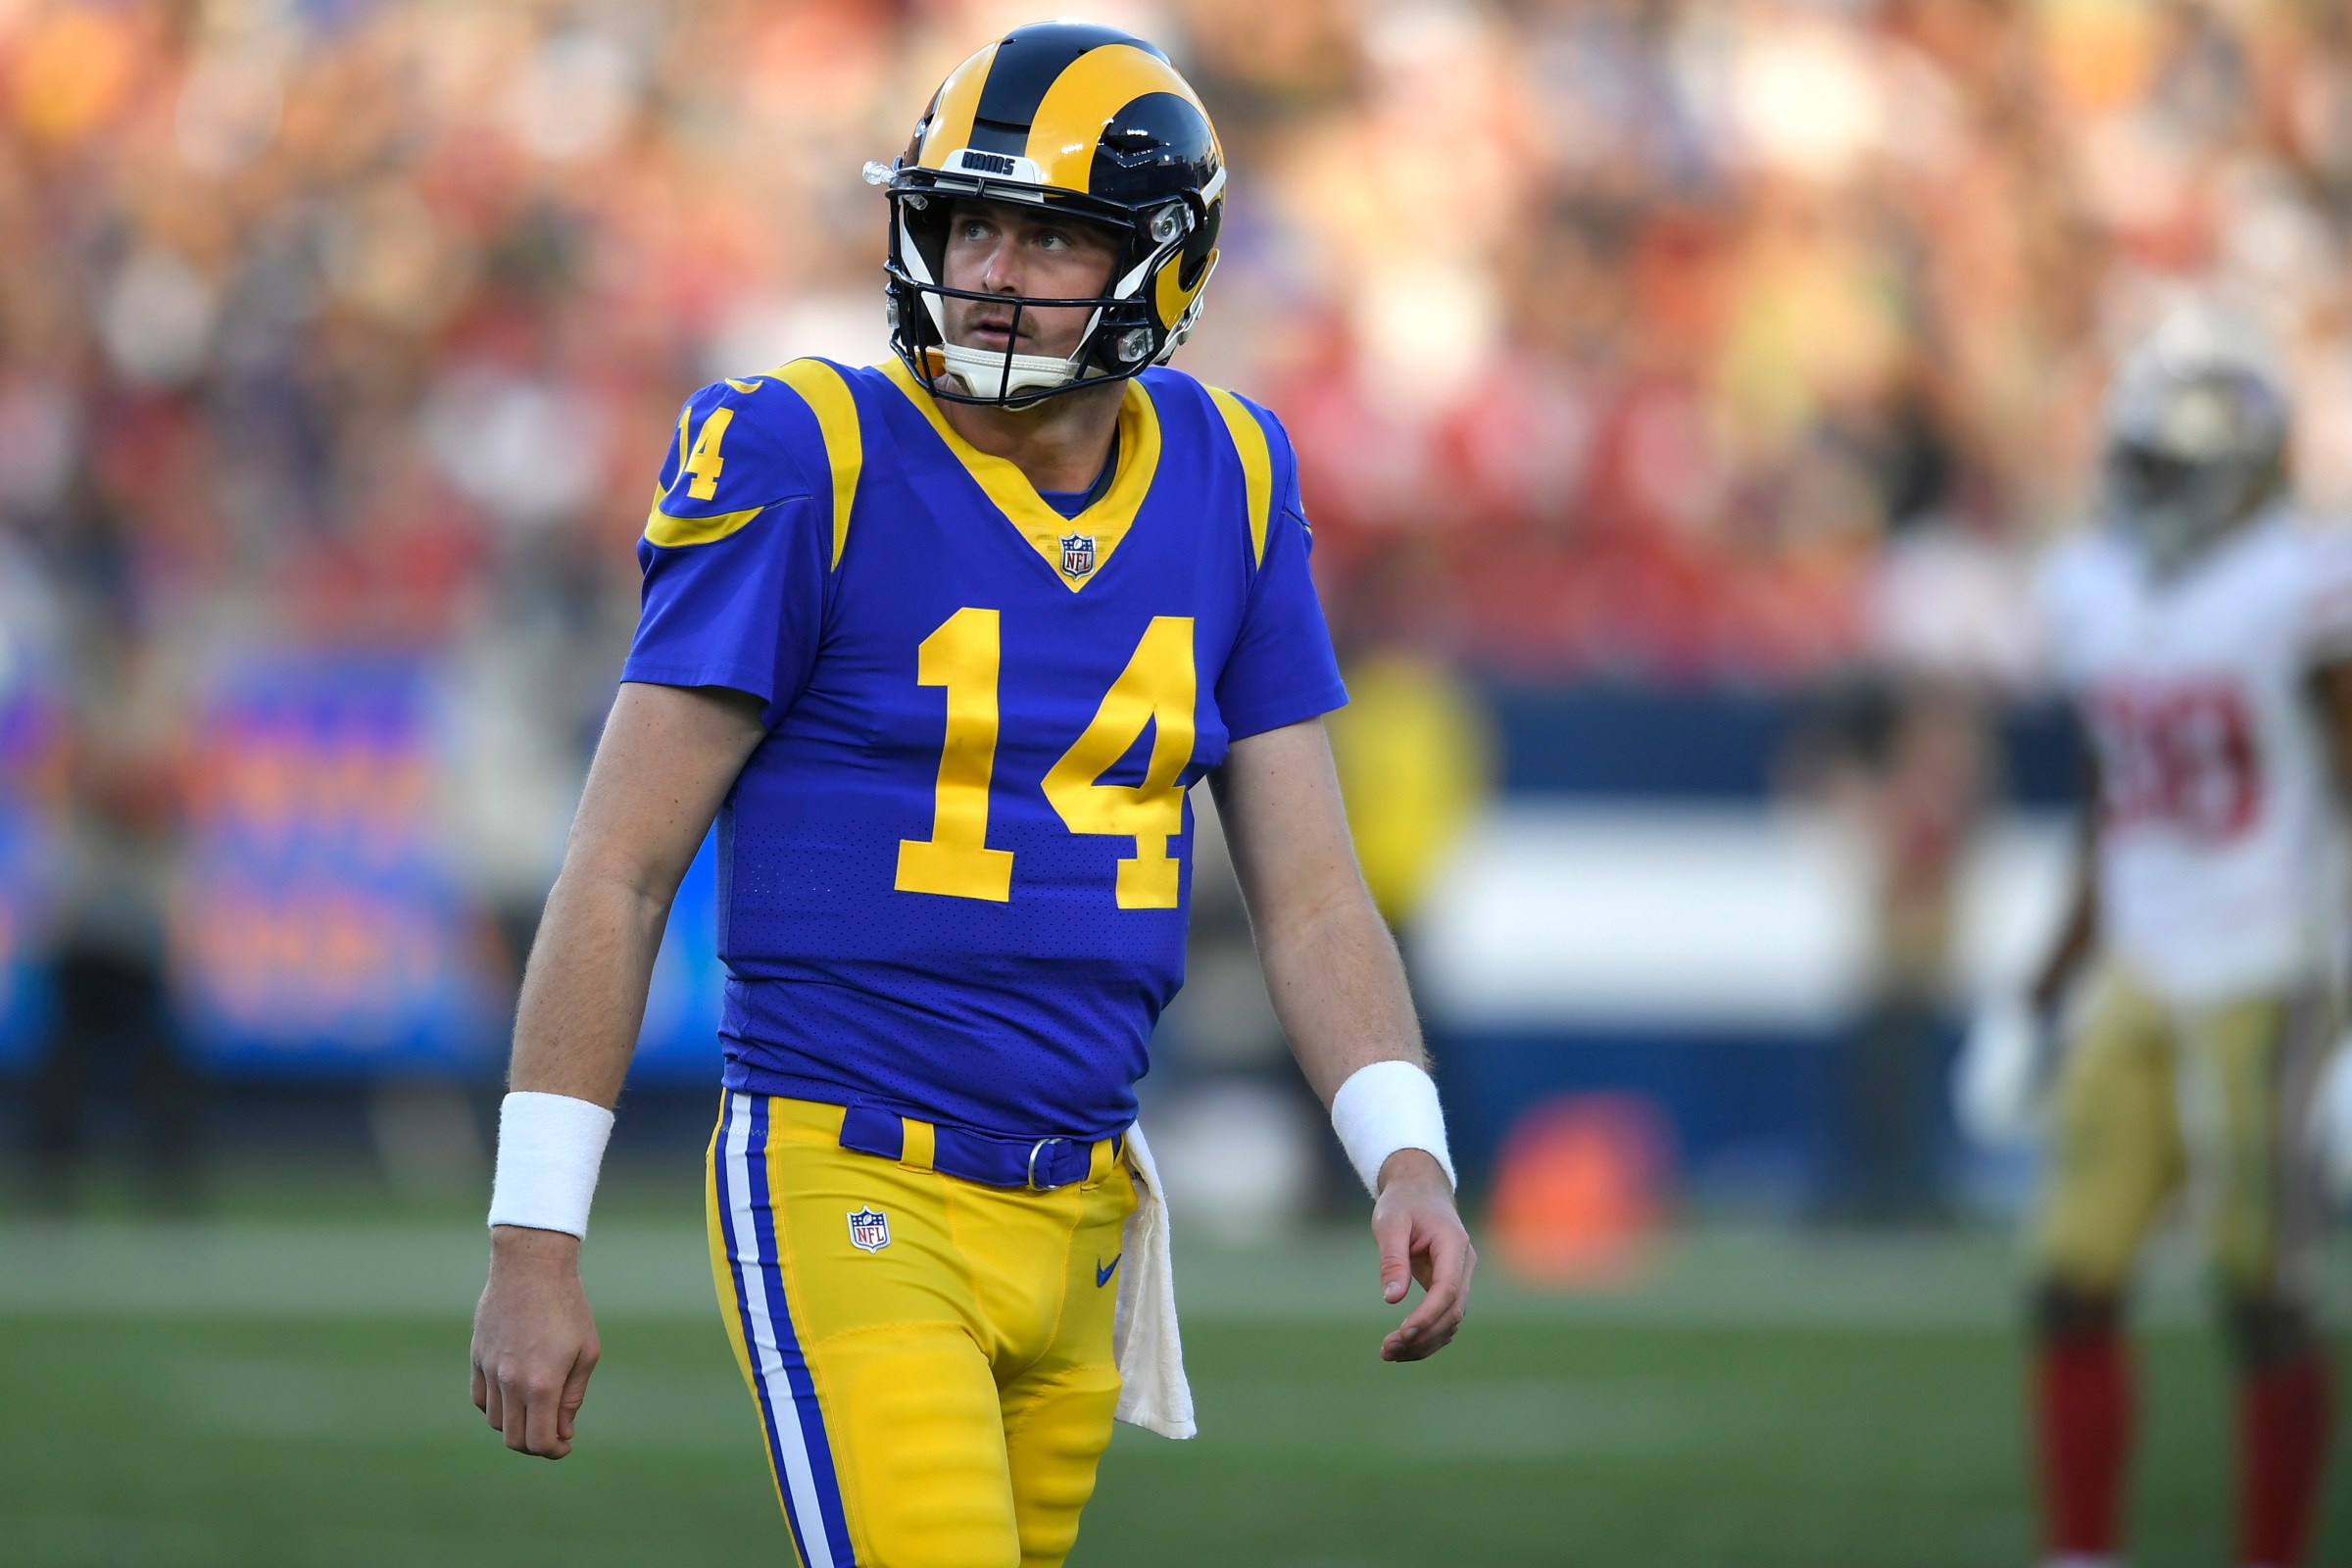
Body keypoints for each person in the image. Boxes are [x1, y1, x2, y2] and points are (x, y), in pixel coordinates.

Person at [466, 24, 1473, 1568]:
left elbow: (1316, 894)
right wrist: (535, 1238)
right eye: (969, 220)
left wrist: (1406, 1149)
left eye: (1053, 233)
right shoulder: (806, 450)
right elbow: (615, 867)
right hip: (848, 1166)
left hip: (1084, 1208)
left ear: (1165, 263)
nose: (995, 267)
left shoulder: (1236, 478)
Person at [1962, 313, 2343, 1568]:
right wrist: (2044, 980)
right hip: (2140, 962)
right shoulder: (2091, 587)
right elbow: (2105, 797)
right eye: (2137, 462)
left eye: (2171, 468)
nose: (2144, 489)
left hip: (2271, 964)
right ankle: (2081, 1553)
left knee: (2262, 1295)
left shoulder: (2300, 583)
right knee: (2069, 1274)